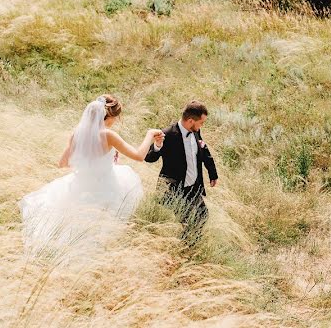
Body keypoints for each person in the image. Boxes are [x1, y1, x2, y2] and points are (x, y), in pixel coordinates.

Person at [19, 95, 164, 256]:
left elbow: (63, 163)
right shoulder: (108, 135)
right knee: (102, 229)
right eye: (117, 117)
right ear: (110, 116)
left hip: (81, 185)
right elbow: (138, 155)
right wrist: (150, 135)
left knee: (76, 226)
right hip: (105, 186)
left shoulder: (76, 134)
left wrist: (88, 164)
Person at [144, 101, 218, 242]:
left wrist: (212, 173)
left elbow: (204, 150)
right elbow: (149, 158)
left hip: (193, 187)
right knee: (188, 219)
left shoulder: (195, 131)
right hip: (174, 189)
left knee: (202, 215)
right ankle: (186, 247)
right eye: (201, 123)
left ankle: (188, 244)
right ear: (190, 121)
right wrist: (158, 145)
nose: (202, 125)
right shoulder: (167, 134)